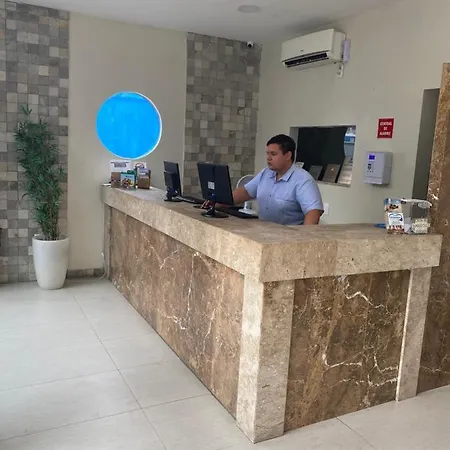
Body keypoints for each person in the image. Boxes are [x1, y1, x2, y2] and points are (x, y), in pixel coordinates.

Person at [232, 134, 323, 225]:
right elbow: (245, 192)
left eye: (273, 154)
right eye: (267, 153)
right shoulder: (266, 173)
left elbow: (313, 212)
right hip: (262, 230)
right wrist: (223, 201)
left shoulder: (303, 180)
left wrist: (304, 233)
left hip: (287, 233)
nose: (268, 158)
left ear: (288, 155)